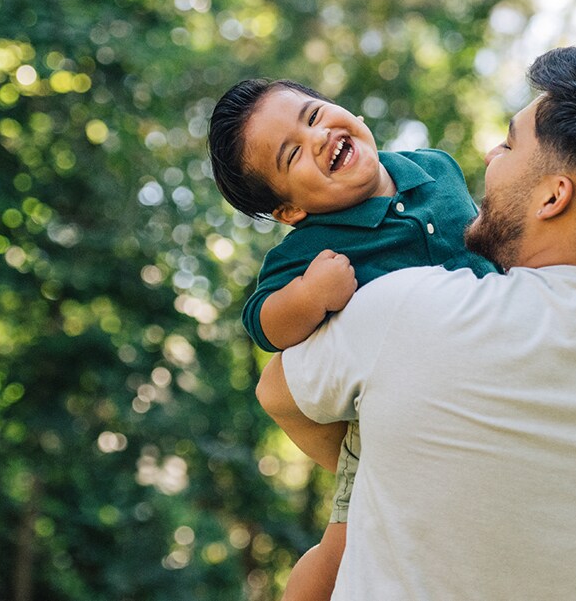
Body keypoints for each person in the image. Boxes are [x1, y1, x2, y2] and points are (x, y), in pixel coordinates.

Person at [256, 46, 576, 600]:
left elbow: (277, 391)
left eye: (509, 143)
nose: (490, 156)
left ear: (553, 196)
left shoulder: (406, 311)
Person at [208, 78, 496, 600]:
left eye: (314, 115)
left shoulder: (434, 166)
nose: (318, 137)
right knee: (338, 557)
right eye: (292, 152)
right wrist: (310, 296)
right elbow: (262, 322)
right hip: (390, 413)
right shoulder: (310, 246)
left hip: (490, 376)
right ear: (290, 210)